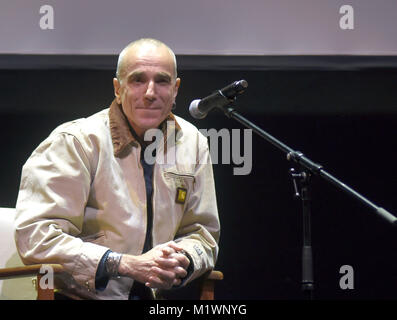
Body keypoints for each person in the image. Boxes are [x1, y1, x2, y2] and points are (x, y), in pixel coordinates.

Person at [14, 38, 220, 300]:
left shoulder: (193, 142)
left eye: (162, 81)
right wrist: (122, 264)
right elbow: (35, 236)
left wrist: (182, 260)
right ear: (117, 88)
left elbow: (202, 234)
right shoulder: (76, 141)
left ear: (176, 88)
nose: (150, 92)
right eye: (137, 80)